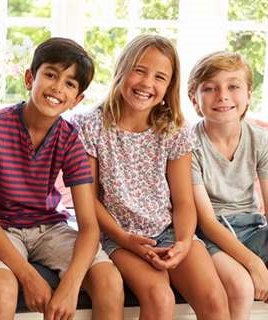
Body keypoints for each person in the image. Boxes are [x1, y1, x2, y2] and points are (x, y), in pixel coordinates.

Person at [73, 34, 230, 320]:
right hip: (117, 235)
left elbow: (183, 201)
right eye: (139, 70)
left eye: (160, 77)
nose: (147, 84)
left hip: (169, 231)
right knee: (160, 299)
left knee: (216, 301)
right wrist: (124, 238)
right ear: (122, 69)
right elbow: (89, 200)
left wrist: (183, 242)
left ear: (170, 85)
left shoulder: (174, 129)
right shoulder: (90, 125)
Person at [0, 37, 124, 320]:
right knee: (1, 288)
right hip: (1, 229)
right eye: (50, 75)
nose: (57, 87)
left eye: (69, 83)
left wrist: (71, 286)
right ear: (30, 78)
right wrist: (29, 277)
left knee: (109, 280)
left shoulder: (70, 138)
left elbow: (89, 226)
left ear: (77, 99)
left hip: (50, 227)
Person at [188, 51, 268, 319]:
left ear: (248, 94)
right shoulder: (188, 145)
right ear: (194, 100)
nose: (222, 95)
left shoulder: (261, 140)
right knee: (241, 286)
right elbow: (207, 222)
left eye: (233, 86)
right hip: (210, 233)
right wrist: (254, 264)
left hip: (253, 227)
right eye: (209, 89)